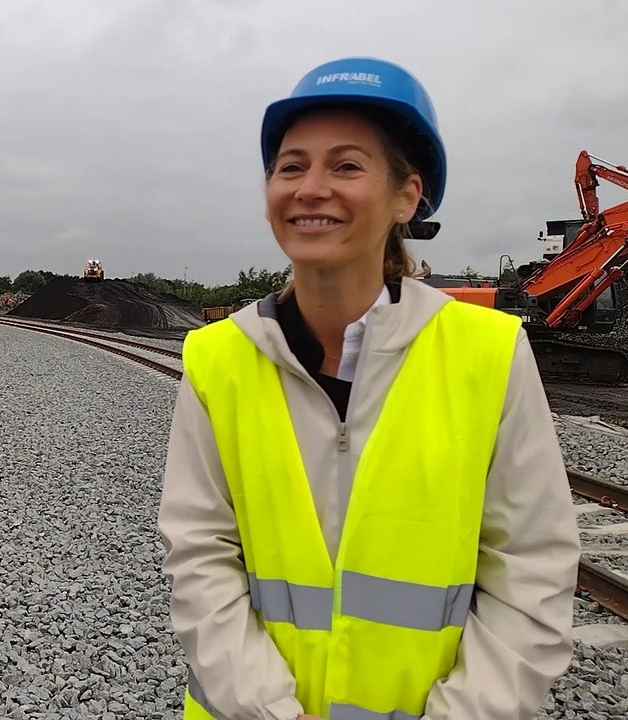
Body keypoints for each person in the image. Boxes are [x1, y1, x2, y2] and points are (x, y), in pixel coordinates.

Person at [158, 56, 580, 720]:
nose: (311, 187)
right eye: (291, 166)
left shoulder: (489, 354)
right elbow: (200, 556)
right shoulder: (218, 359)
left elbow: (530, 572)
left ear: (406, 196)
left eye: (347, 166)